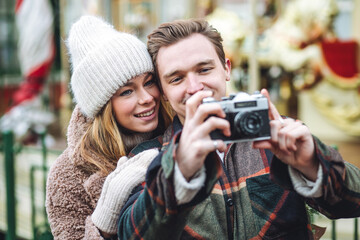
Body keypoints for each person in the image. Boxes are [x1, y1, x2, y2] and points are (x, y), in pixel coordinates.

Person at [116, 19, 360, 239]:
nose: (195, 86)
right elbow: (131, 234)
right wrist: (178, 171)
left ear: (227, 69)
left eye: (204, 69)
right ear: (164, 93)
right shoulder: (147, 158)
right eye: (176, 78)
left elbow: (354, 201)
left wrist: (313, 164)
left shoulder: (279, 133)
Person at [45, 16, 173, 239]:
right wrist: (106, 218)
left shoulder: (178, 132)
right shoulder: (66, 176)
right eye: (127, 91)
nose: (147, 98)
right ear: (103, 106)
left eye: (149, 82)